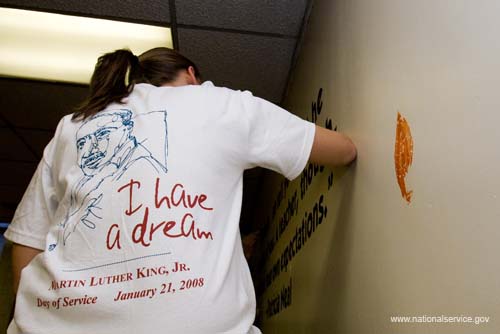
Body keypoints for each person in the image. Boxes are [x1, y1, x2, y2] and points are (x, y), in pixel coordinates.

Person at [5, 47, 356, 334]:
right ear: (192, 75)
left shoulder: (74, 125)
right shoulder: (220, 103)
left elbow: (26, 238)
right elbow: (342, 150)